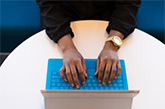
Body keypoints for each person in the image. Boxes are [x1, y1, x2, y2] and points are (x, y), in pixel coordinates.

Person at [37, 0, 141, 88]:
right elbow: (48, 3)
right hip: (63, 15)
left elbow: (129, 3)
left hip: (111, 14)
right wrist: (68, 48)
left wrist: (112, 45)